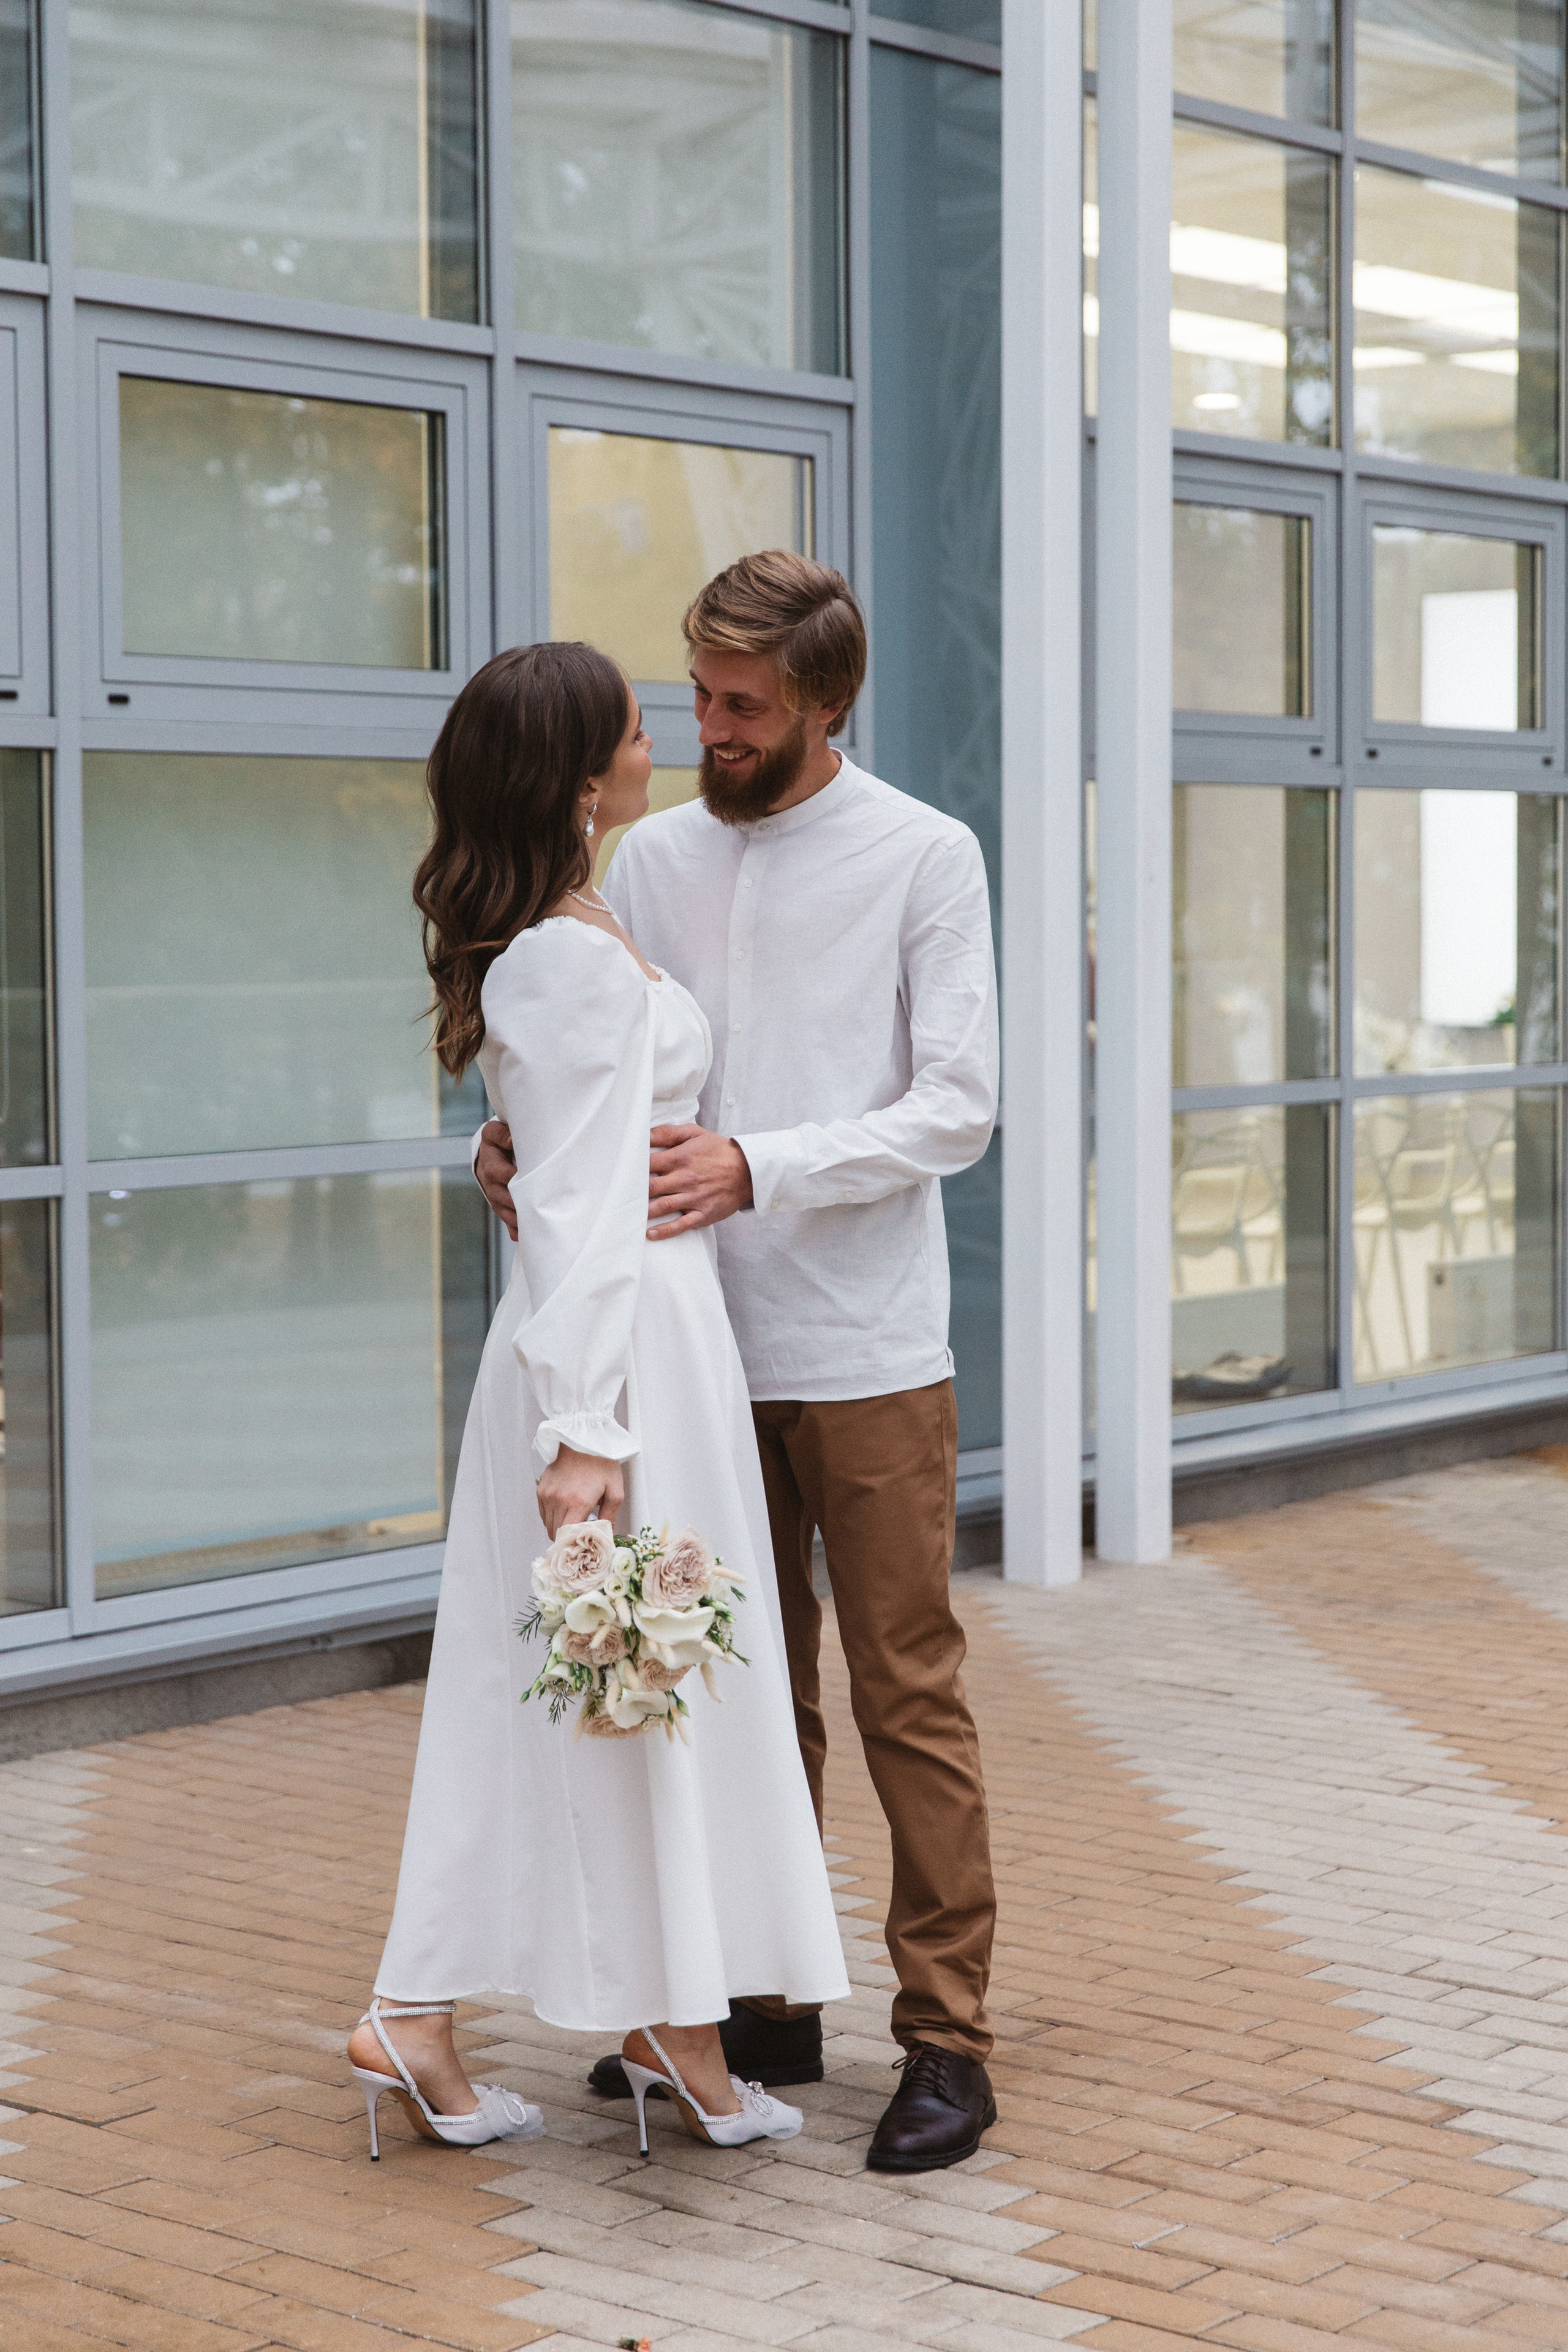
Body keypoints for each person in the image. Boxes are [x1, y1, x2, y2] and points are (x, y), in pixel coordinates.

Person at [475, 554, 1000, 2173]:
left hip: (861, 1347)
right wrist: (518, 1153)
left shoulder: (924, 852)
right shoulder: (651, 860)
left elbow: (959, 1103)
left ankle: (946, 2040)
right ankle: (753, 2005)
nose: (709, 726)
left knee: (901, 1693)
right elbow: (594, 1068)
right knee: (711, 1690)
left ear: (830, 702)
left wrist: (757, 1164)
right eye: (697, 694)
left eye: (745, 705)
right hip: (678, 1361)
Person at [348, 639, 849, 2162]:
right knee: (614, 1694)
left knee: (608, 1696)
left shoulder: (578, 925)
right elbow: (572, 1207)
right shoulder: (566, 956)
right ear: (579, 780)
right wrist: (584, 1434)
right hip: (614, 1369)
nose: (665, 744)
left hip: (644, 1349)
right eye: (639, 730)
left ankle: (577, 2018)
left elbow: (555, 1161)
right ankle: (632, 2028)